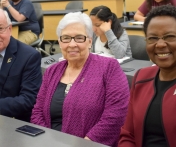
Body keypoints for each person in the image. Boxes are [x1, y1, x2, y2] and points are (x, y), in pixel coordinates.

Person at [31, 12, 129, 147]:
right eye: (66, 38)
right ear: (59, 42)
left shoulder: (109, 68)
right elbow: (37, 112)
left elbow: (115, 116)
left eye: (79, 38)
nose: (72, 44)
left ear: (89, 41)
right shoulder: (51, 71)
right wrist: (46, 140)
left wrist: (84, 144)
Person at [118, 4, 176, 147]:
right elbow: (127, 134)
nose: (160, 44)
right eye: (153, 38)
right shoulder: (141, 77)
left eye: (169, 37)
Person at [0, 9, 42, 122]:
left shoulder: (29, 57)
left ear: (9, 29)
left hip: (11, 122)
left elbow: (29, 99)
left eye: (0, 29)